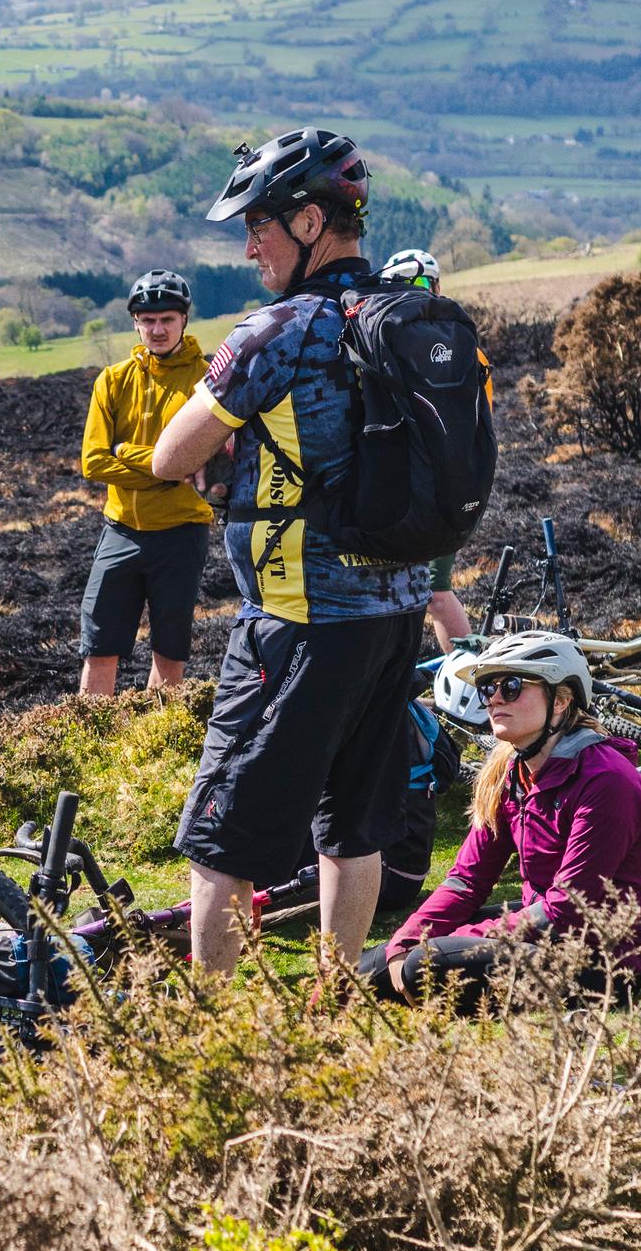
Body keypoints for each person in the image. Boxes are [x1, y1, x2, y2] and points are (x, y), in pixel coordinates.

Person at [149, 128, 430, 978]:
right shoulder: (402, 312)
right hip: (397, 610)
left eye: (260, 225)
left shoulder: (283, 327)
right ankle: (333, 1004)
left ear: (310, 221)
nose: (248, 246)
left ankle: (217, 1043)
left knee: (222, 841)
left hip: (298, 621)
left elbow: (170, 456)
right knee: (354, 826)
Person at [365, 630, 641, 1005]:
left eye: (512, 685)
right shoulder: (512, 774)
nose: (494, 699)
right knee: (367, 967)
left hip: (600, 964)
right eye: (488, 688)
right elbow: (466, 880)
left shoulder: (608, 782)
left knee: (422, 964)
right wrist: (407, 938)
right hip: (544, 932)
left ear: (561, 700)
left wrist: (452, 940)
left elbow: (568, 908)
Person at [76, 272, 213, 697]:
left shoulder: (208, 380)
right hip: (120, 531)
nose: (157, 329)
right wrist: (166, 467)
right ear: (136, 322)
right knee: (99, 648)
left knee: (169, 653)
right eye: (147, 320)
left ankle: (156, 745)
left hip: (182, 531)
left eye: (167, 319)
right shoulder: (113, 380)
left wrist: (126, 453)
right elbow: (93, 461)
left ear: (184, 320)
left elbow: (204, 459)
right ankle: (89, 747)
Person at [382, 247, 472, 648]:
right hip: (409, 489)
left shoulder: (457, 347)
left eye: (422, 283)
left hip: (440, 490)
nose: (414, 292)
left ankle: (470, 681)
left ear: (437, 286)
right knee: (408, 593)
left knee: (434, 591)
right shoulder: (391, 346)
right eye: (400, 284)